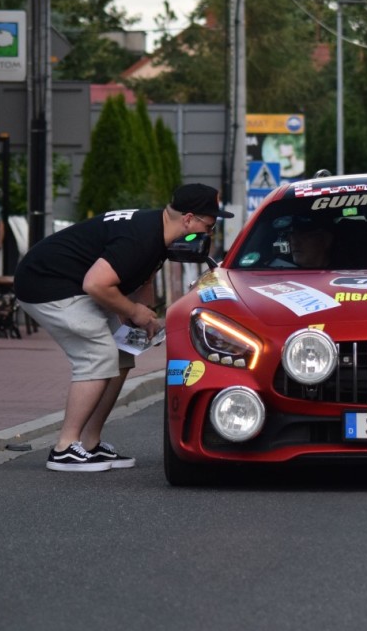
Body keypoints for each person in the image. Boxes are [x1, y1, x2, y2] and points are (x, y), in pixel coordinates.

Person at [14, 183, 232, 472]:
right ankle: (65, 448)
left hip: (76, 284)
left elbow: (143, 278)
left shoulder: (160, 234)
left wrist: (146, 315)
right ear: (189, 219)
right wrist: (131, 311)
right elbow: (95, 283)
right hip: (46, 283)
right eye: (210, 223)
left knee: (120, 356)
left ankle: (89, 443)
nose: (210, 231)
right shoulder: (141, 237)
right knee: (99, 355)